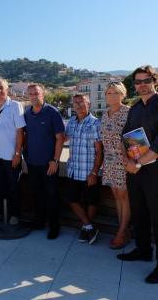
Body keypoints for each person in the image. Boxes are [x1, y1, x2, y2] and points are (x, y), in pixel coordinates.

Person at [117, 65, 158, 284]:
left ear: (155, 81)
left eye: (146, 80)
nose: (142, 84)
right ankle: (143, 250)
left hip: (154, 171)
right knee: (139, 212)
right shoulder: (135, 108)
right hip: (135, 169)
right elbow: (125, 136)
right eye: (138, 81)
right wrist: (127, 160)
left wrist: (139, 163)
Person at [24, 83, 65, 239]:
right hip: (32, 163)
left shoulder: (52, 112)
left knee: (52, 196)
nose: (34, 96)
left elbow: (60, 138)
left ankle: (54, 226)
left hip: (49, 164)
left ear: (43, 94)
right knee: (36, 194)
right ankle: (39, 222)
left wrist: (55, 160)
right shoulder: (27, 114)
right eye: (31, 94)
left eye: (36, 93)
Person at [0, 78, 25, 225]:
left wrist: (17, 154)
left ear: (7, 89)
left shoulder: (15, 106)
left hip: (10, 155)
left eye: (1, 87)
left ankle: (15, 214)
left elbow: (20, 132)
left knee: (13, 187)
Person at [65, 94, 103, 244]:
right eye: (75, 103)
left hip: (89, 170)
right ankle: (88, 226)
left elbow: (100, 151)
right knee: (71, 199)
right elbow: (64, 138)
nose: (78, 105)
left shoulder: (95, 123)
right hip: (73, 168)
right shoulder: (72, 122)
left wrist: (94, 172)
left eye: (82, 103)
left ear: (89, 104)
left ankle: (86, 228)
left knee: (91, 201)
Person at [100, 82, 130, 249]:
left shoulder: (129, 113)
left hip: (124, 160)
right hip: (109, 160)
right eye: (109, 93)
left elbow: (135, 138)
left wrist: (132, 161)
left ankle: (121, 232)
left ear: (122, 94)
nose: (112, 96)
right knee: (117, 196)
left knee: (124, 197)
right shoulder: (105, 114)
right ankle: (123, 229)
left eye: (115, 93)